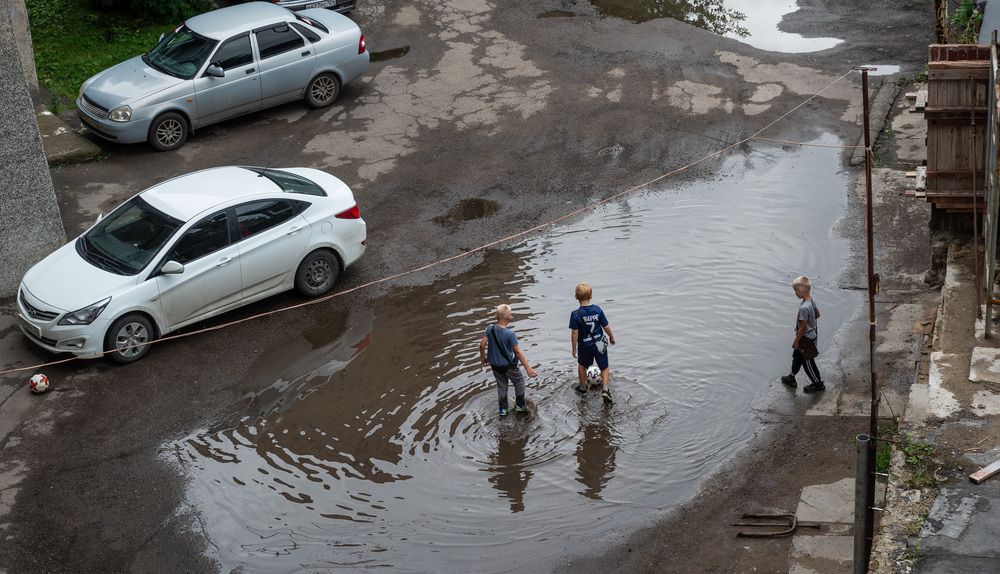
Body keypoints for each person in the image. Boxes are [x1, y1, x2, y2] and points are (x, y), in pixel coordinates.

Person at [480, 304, 538, 416]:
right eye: (511, 314)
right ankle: (520, 406)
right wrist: (528, 368)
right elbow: (517, 352)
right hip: (506, 366)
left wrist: (483, 357)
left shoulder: (490, 328)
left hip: (494, 364)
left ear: (497, 316)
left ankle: (503, 409)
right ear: (509, 317)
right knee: (519, 381)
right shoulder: (510, 333)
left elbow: (482, 345)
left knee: (501, 385)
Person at [569, 283, 616, 404]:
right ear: (590, 296)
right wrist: (611, 337)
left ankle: (583, 387)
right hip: (599, 342)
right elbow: (605, 326)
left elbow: (575, 333)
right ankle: (605, 389)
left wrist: (574, 349)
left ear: (576, 296)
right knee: (604, 367)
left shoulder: (575, 314)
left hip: (585, 345)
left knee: (582, 365)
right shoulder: (597, 310)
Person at [781, 275, 825, 393]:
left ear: (800, 291)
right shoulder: (811, 300)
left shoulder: (804, 308)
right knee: (797, 356)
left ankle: (818, 384)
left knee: (807, 362)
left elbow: (803, 327)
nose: (795, 293)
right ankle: (791, 377)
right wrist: (811, 321)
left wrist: (796, 340)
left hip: (806, 338)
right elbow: (818, 315)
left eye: (795, 291)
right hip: (812, 334)